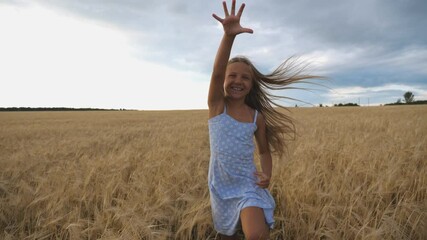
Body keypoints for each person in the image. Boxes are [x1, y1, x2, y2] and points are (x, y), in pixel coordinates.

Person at [208, 0, 320, 239]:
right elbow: (216, 73)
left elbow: (264, 151)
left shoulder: (256, 117)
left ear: (252, 85)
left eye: (245, 78)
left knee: (256, 235)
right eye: (233, 75)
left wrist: (267, 174)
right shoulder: (217, 107)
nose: (238, 81)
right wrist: (228, 36)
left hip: (248, 185)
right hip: (220, 186)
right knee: (227, 233)